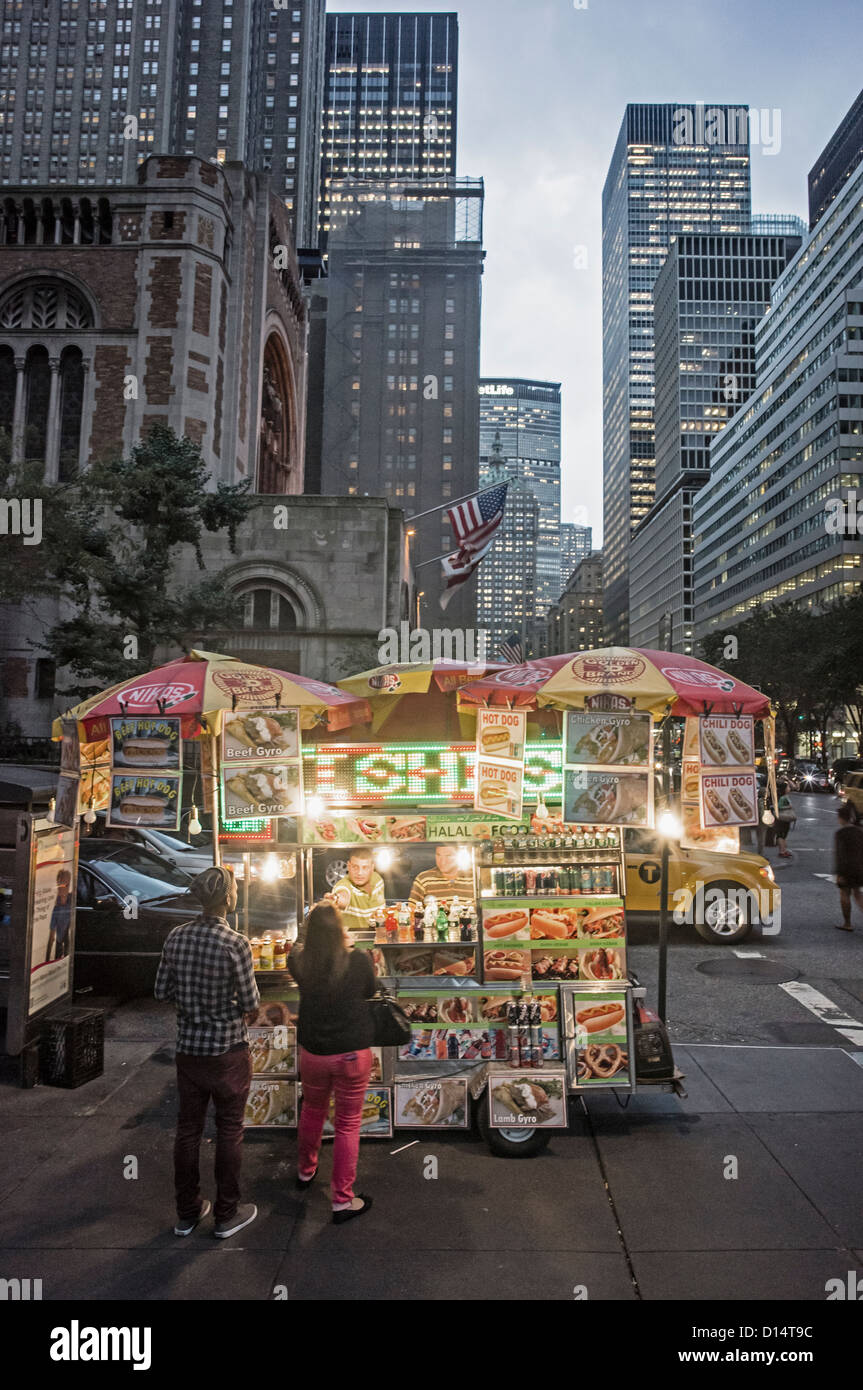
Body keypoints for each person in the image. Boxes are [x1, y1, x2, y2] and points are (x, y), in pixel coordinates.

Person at [154, 865, 260, 1240]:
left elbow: (161, 992)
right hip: (228, 1052)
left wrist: (192, 1001)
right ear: (229, 899)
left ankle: (187, 1213)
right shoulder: (237, 944)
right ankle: (226, 1215)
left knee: (188, 1131)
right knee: (229, 1129)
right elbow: (250, 1001)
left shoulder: (176, 937)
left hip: (189, 1052)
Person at [290, 903, 375, 1225]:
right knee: (348, 1123)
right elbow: (370, 991)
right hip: (352, 1053)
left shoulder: (301, 962)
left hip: (314, 1053)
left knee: (312, 1110)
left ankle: (305, 1171)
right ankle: (342, 1200)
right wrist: (349, 947)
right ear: (341, 930)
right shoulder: (357, 960)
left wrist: (309, 924)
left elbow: (298, 946)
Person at [330, 847, 386, 932]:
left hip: (377, 940)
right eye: (355, 867)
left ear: (372, 868)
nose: (359, 873)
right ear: (348, 866)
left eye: (365, 867)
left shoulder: (377, 879)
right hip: (352, 943)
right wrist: (336, 899)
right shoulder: (343, 885)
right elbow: (343, 897)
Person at [409, 844, 474, 908]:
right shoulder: (423, 879)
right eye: (438, 855)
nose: (443, 861)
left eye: (448, 856)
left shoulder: (474, 878)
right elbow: (412, 908)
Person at [834, 801, 863, 932]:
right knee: (858, 894)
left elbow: (840, 855)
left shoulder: (841, 834)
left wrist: (839, 873)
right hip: (859, 867)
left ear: (841, 818)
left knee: (845, 893)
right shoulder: (859, 831)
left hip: (847, 868)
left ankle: (847, 923)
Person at [45, 869, 72, 963]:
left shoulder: (72, 900)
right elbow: (51, 937)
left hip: (68, 947)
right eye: (59, 885)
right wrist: (47, 962)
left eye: (65, 885)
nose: (62, 888)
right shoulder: (56, 909)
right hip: (60, 948)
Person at [773, 779, 796, 859]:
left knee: (783, 835)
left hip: (784, 819)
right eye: (788, 787)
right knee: (781, 835)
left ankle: (784, 850)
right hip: (782, 819)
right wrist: (788, 807)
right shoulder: (783, 798)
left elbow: (795, 787)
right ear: (785, 789)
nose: (789, 788)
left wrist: (787, 779)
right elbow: (778, 807)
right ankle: (782, 851)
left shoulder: (785, 796)